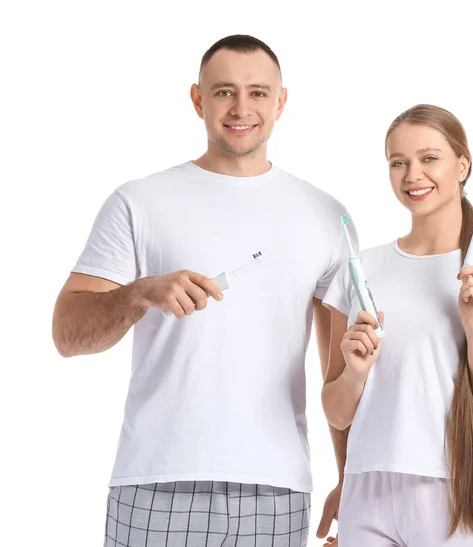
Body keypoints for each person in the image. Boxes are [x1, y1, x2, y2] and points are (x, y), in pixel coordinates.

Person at [52, 34, 355, 547]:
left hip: (275, 490)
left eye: (258, 92)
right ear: (198, 99)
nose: (241, 108)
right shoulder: (139, 202)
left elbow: (342, 372)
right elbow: (67, 334)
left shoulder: (327, 216)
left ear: (281, 102)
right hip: (155, 482)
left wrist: (351, 481)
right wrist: (138, 294)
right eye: (224, 92)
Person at [321, 104, 473, 547]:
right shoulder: (361, 270)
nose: (412, 175)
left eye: (428, 158)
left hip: (458, 492)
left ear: (462, 165)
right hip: (366, 490)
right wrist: (356, 373)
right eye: (397, 162)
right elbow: (335, 410)